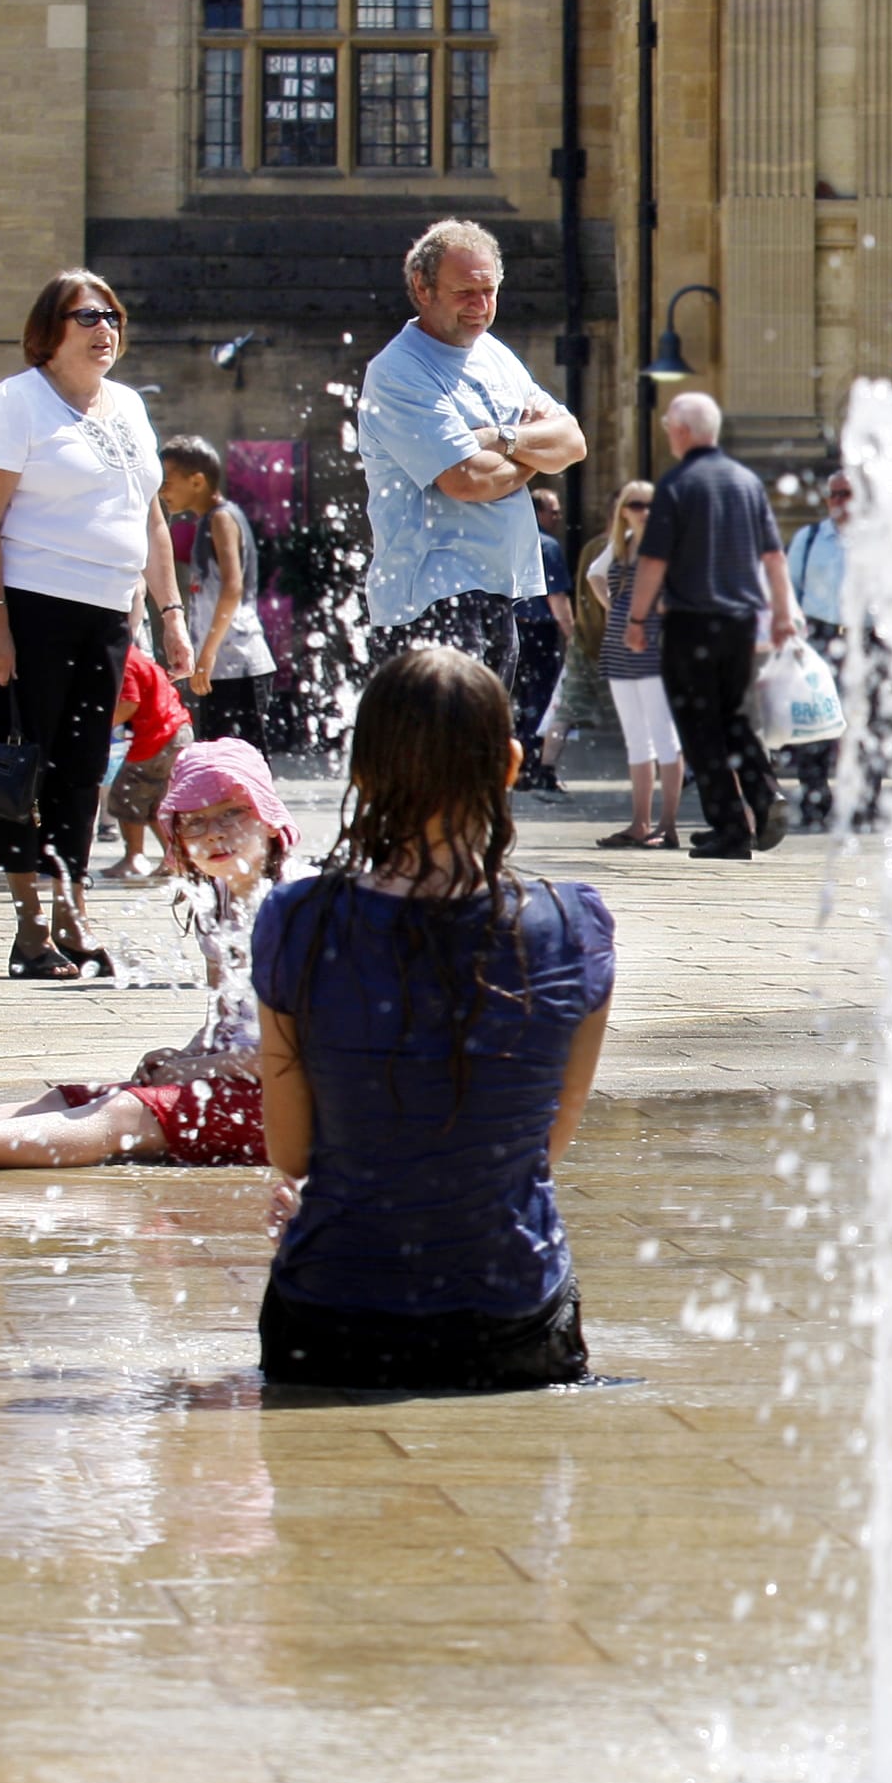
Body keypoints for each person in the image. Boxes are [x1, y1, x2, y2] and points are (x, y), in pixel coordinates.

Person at [251, 645, 613, 1391]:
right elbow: (543, 1146)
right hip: (512, 1323)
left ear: (362, 773)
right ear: (510, 765)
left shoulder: (296, 921)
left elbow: (291, 1153)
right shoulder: (574, 925)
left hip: (330, 1318)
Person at [0, 739, 295, 1171]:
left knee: (124, 1113)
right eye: (195, 822)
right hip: (242, 1083)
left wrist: (195, 1072)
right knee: (67, 1097)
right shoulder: (218, 899)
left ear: (270, 817)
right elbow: (226, 1017)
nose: (215, 832)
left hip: (298, 1107)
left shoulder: (299, 907)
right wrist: (188, 1054)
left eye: (231, 812)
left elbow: (298, 1052)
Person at [0, 269, 194, 980]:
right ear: (49, 331)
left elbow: (151, 518)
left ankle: (75, 913)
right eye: (87, 316)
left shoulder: (126, 405)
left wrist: (172, 615)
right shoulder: (14, 403)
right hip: (28, 608)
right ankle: (32, 930)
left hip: (106, 614)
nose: (104, 329)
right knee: (23, 764)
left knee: (85, 770)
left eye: (113, 317)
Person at [356, 219, 586, 691]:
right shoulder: (399, 370)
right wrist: (530, 449)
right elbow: (466, 481)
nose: (480, 308)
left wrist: (498, 439)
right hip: (432, 595)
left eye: (490, 291)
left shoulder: (493, 353)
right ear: (422, 288)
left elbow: (572, 443)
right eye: (465, 293)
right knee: (441, 756)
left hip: (498, 587)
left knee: (481, 755)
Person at [629, 390, 798, 860]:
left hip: (690, 621)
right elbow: (773, 555)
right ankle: (765, 796)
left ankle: (729, 827)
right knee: (738, 716)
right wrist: (783, 613)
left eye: (668, 426)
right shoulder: (747, 482)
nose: (667, 433)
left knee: (699, 725)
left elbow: (653, 560)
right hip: (741, 622)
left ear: (681, 431)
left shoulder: (677, 484)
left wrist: (638, 617)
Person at [158, 433, 276, 753]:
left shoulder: (222, 518)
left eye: (168, 481)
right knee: (216, 754)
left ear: (197, 481)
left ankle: (258, 805)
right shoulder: (207, 521)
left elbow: (232, 587)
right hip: (221, 662)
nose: (162, 490)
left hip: (237, 660)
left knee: (245, 755)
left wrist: (206, 654)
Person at [588, 479, 681, 849]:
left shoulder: (668, 545)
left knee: (665, 736)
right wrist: (613, 607)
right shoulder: (621, 544)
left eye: (648, 505)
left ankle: (668, 825)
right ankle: (640, 822)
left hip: (656, 648)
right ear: (623, 509)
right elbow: (594, 574)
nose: (642, 511)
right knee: (636, 740)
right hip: (619, 647)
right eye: (635, 504)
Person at [784, 471, 856, 827]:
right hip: (819, 638)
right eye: (834, 495)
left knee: (863, 722)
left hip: (865, 640)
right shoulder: (810, 538)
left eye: (847, 494)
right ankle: (815, 797)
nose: (840, 501)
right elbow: (788, 589)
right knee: (814, 722)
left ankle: (863, 800)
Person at [100, 643, 191, 881]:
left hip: (159, 736)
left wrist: (96, 726)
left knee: (125, 796)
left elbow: (130, 703)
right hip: (175, 730)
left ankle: (134, 858)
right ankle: (176, 859)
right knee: (155, 806)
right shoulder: (133, 654)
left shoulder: (123, 658)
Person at [510, 486, 571, 794]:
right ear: (537, 512)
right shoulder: (548, 546)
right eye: (553, 511)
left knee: (519, 700)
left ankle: (517, 765)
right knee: (542, 700)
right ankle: (532, 766)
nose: (558, 517)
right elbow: (557, 596)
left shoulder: (510, 539)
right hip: (540, 632)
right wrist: (573, 635)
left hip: (512, 631)